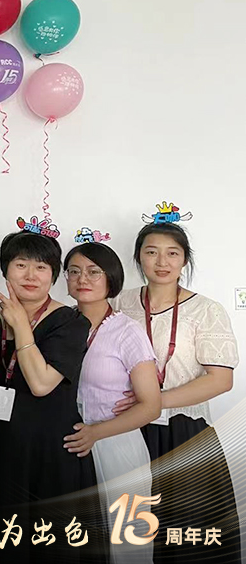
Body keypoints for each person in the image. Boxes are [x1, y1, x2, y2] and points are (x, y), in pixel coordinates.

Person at [112, 223, 240, 563]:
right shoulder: (120, 303)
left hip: (184, 432)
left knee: (187, 536)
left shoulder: (206, 310)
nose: (162, 261)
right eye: (151, 252)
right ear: (138, 257)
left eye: (172, 253)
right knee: (131, 535)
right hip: (127, 430)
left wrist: (154, 402)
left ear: (185, 260)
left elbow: (220, 380)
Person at [0, 231, 105, 564]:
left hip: (54, 451)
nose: (30, 275)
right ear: (5, 270)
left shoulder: (71, 322)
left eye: (41, 267)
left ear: (53, 275)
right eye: (20, 265)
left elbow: (41, 384)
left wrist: (21, 326)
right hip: (7, 448)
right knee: (12, 547)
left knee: (55, 549)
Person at [64, 242, 160, 564]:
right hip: (71, 446)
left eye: (94, 272)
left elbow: (150, 406)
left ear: (111, 279)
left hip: (117, 446)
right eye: (74, 271)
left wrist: (96, 432)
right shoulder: (61, 325)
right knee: (82, 545)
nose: (82, 279)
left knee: (128, 547)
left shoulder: (127, 331)